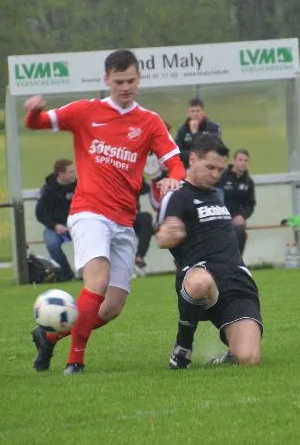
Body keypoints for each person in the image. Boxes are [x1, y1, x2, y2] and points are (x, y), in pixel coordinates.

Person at [25, 49, 185, 376]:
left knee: (112, 307)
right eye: (119, 81)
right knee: (96, 281)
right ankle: (75, 362)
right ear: (106, 80)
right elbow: (38, 123)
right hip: (89, 212)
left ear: (138, 80)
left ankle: (49, 337)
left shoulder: (149, 121)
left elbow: (176, 163)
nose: (125, 87)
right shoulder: (86, 111)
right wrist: (33, 111)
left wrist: (174, 178)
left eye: (131, 81)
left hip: (124, 220)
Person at [156, 134, 263, 369]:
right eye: (210, 167)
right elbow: (162, 238)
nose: (215, 174)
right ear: (193, 159)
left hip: (236, 280)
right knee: (200, 282)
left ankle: (228, 356)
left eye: (220, 170)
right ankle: (183, 347)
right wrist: (169, 234)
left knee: (249, 358)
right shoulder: (177, 194)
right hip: (201, 276)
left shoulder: (217, 194)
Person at [35, 158, 77, 278]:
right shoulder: (48, 190)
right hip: (55, 226)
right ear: (60, 174)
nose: (74, 174)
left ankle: (87, 273)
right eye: (70, 172)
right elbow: (40, 213)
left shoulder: (79, 186)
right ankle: (67, 273)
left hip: (77, 223)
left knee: (90, 240)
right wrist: (55, 226)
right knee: (52, 243)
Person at [217, 148, 256, 255]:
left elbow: (250, 204)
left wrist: (242, 216)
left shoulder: (248, 182)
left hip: (237, 219)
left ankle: (237, 261)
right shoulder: (221, 177)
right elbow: (214, 196)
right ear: (234, 161)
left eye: (245, 160)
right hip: (220, 217)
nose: (243, 163)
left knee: (238, 231)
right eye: (240, 160)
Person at [174, 97, 222, 169]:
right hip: (188, 168)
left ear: (203, 112)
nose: (195, 114)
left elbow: (213, 148)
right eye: (192, 111)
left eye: (198, 111)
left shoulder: (214, 127)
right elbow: (177, 152)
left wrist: (195, 133)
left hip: (209, 167)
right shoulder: (182, 129)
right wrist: (193, 155)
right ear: (188, 113)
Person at [133, 178, 154, 271]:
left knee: (146, 218)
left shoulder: (134, 177)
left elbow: (146, 189)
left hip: (133, 217)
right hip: (114, 216)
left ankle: (139, 256)